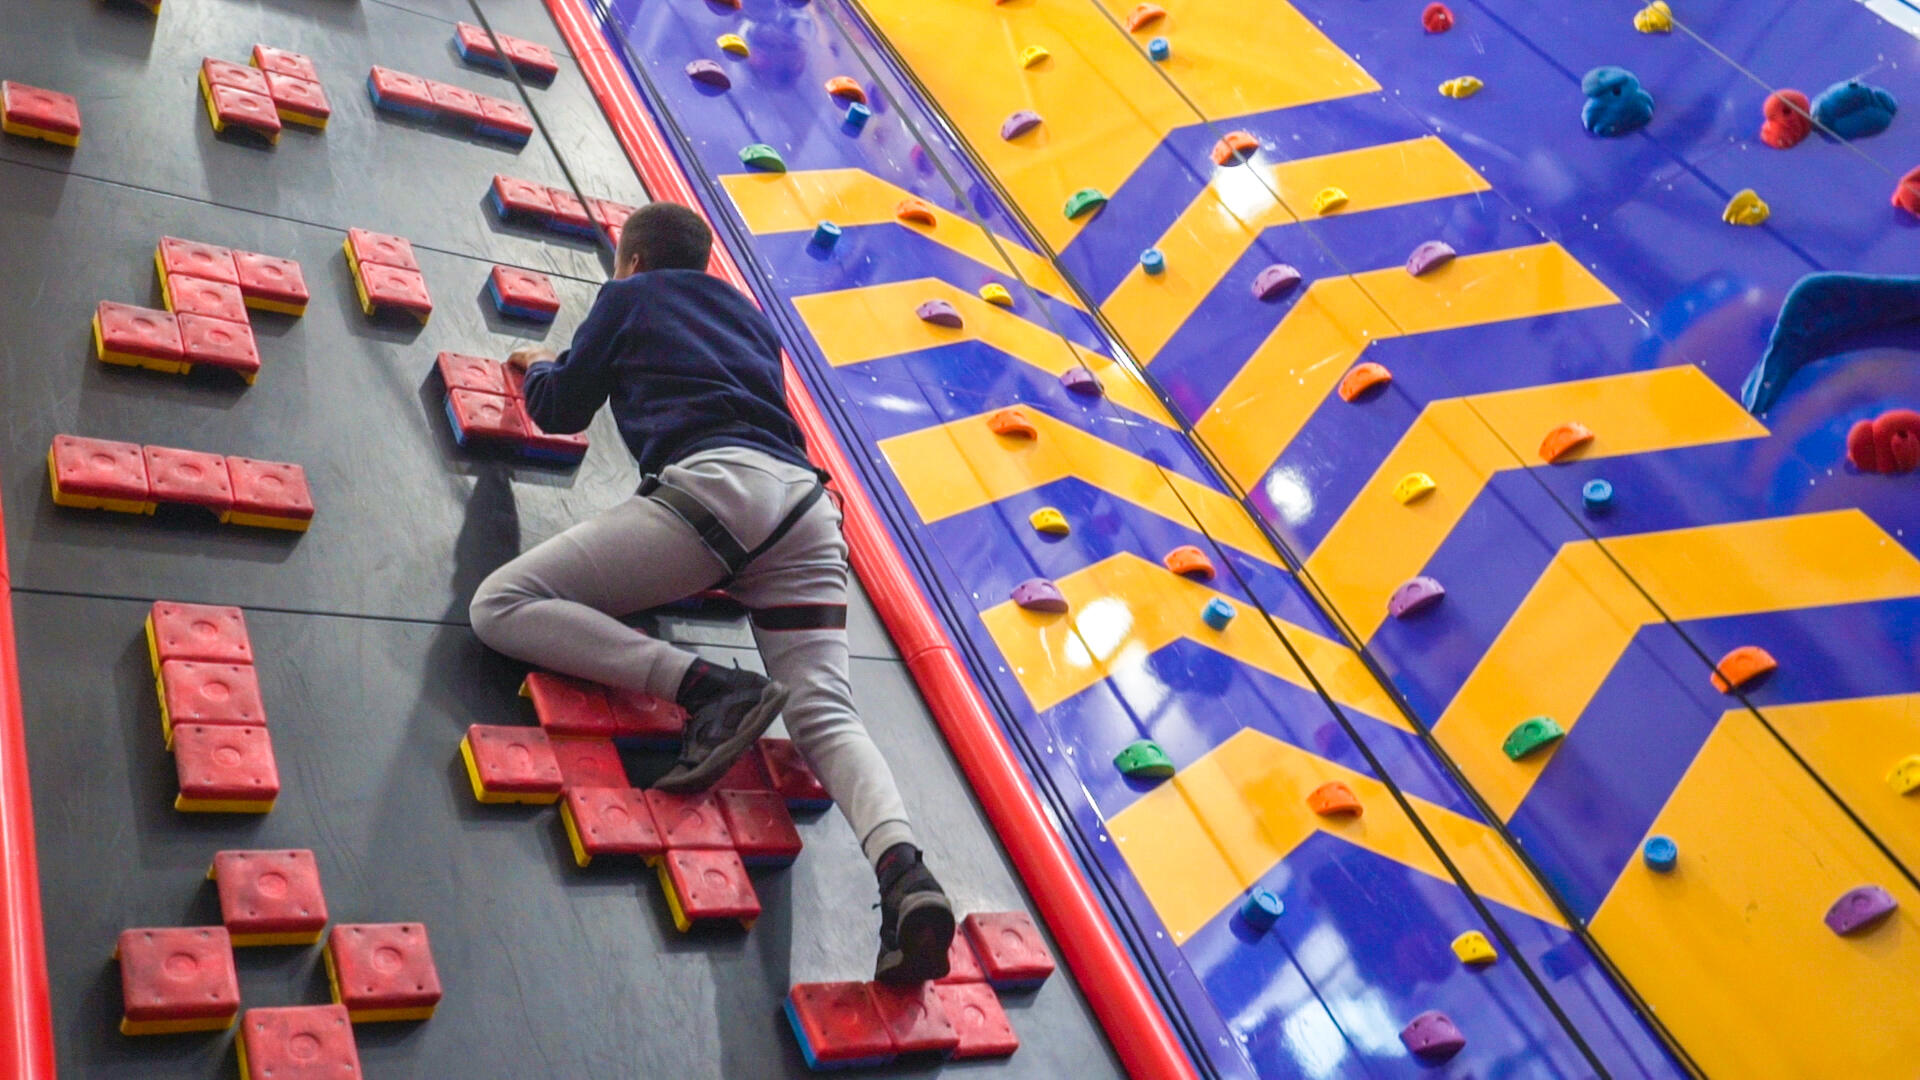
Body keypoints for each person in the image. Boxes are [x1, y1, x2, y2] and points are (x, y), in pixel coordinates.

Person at [468, 201, 953, 982]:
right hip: (805, 511)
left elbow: (561, 411)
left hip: (714, 498)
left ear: (630, 261)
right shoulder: (751, 318)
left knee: (501, 604)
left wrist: (538, 366)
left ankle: (709, 688)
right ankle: (905, 873)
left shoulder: (626, 297)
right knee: (825, 711)